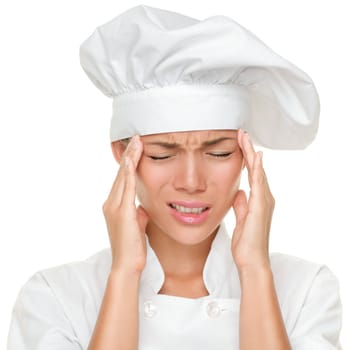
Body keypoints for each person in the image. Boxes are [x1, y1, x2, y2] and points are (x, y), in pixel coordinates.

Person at [7, 4, 342, 350]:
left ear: (246, 156)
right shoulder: (56, 298)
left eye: (219, 153)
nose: (192, 181)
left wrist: (255, 271)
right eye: (162, 155)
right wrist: (125, 274)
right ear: (124, 156)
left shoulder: (305, 292)